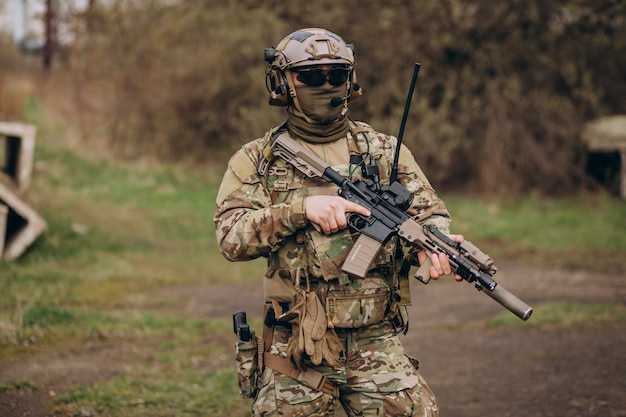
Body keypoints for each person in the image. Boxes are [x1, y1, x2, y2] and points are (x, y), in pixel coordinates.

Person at [214, 28, 463, 417]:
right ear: (282, 82)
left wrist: (436, 245)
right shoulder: (257, 160)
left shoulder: (383, 151)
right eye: (311, 75)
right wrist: (301, 210)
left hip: (375, 337)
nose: (326, 83)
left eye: (336, 75)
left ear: (351, 81)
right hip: (297, 341)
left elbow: (429, 214)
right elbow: (230, 237)